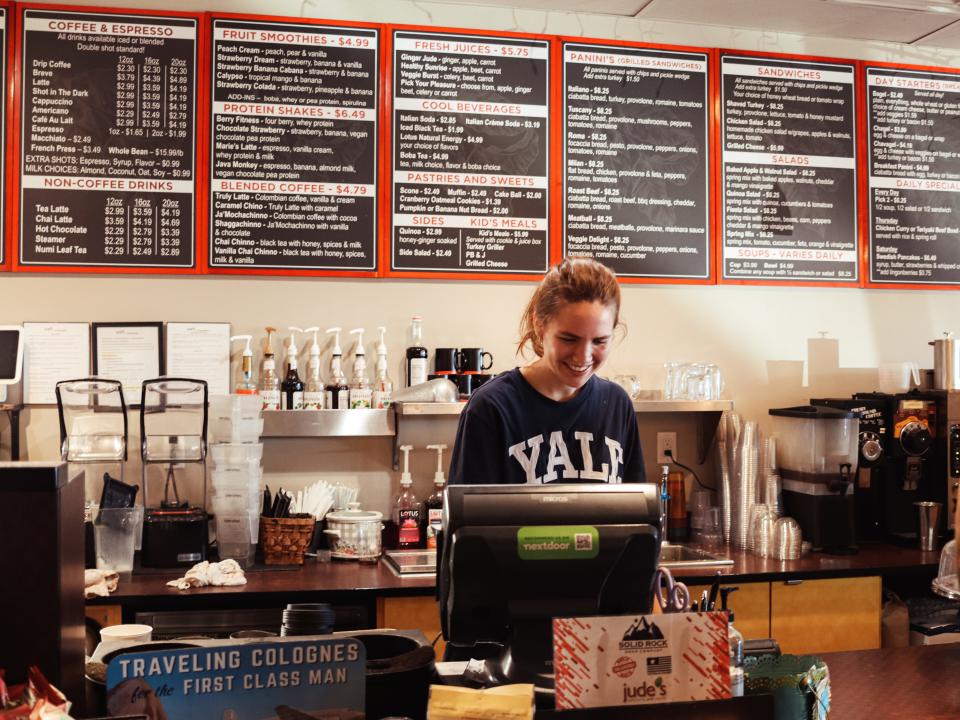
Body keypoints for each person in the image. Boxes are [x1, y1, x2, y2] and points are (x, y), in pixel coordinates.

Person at [449, 257, 644, 485]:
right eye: (569, 339)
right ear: (539, 324)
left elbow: (635, 512)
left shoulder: (617, 405)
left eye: (600, 341)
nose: (583, 356)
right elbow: (470, 517)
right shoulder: (492, 408)